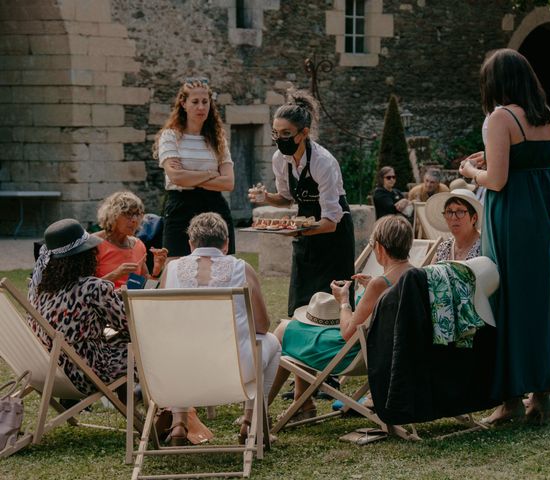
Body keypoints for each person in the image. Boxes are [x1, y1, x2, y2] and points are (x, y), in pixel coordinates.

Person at [459, 48, 550, 425]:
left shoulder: (500, 117)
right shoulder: (549, 117)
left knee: (508, 300)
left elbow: (496, 180)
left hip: (513, 215)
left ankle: (511, 398)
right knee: (541, 300)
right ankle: (541, 396)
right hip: (545, 212)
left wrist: (469, 171)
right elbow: (546, 166)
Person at [269, 215, 414, 420]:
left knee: (285, 329)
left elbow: (347, 333)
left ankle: (260, 412)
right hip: (389, 352)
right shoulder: (414, 275)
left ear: (380, 248)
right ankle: (302, 402)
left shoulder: (380, 284)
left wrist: (344, 301)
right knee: (301, 328)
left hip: (356, 354)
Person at [161, 212, 281, 445]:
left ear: (191, 244)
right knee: (272, 343)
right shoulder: (242, 268)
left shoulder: (171, 269)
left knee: (177, 346)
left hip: (179, 372)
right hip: (234, 370)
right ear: (226, 244)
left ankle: (178, 424)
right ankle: (250, 421)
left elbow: (164, 325)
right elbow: (263, 326)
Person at [247, 89, 355, 316]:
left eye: (286, 133)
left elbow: (330, 223)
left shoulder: (322, 162)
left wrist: (296, 231)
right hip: (305, 235)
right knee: (300, 301)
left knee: (332, 307)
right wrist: (265, 197)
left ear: (303, 133)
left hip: (334, 238)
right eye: (275, 133)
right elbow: (286, 198)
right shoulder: (280, 159)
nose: (279, 139)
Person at [28, 219, 129, 396]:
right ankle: (158, 407)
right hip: (85, 374)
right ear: (86, 255)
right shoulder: (93, 287)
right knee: (140, 349)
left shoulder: (40, 290)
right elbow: (129, 327)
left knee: (112, 340)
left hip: (49, 373)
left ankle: (132, 403)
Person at [154, 77, 235, 258]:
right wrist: (210, 174)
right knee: (174, 265)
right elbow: (176, 177)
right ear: (183, 103)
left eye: (205, 102)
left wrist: (190, 177)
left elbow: (228, 182)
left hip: (215, 207)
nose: (201, 107)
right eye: (195, 102)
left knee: (222, 266)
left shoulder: (218, 139)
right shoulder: (170, 136)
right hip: (180, 207)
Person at [94, 191, 168, 289]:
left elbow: (146, 289)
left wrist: (156, 272)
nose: (134, 220)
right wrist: (115, 274)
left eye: (138, 214)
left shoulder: (138, 245)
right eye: (128, 213)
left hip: (131, 303)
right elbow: (82, 290)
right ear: (112, 215)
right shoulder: (94, 243)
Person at [425, 189, 483, 262]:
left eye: (460, 212)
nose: (453, 217)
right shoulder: (444, 248)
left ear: (474, 218)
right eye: (449, 212)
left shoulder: (484, 249)